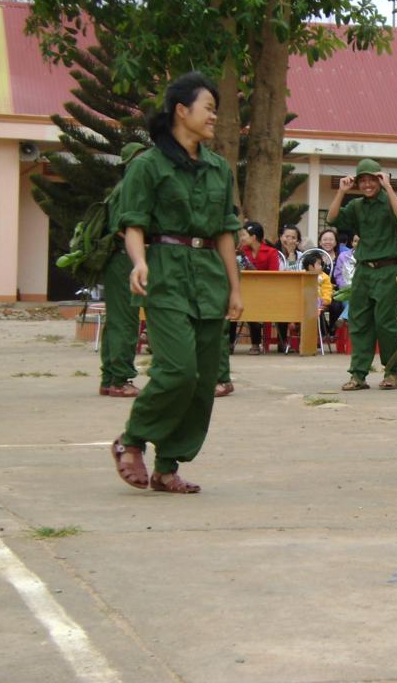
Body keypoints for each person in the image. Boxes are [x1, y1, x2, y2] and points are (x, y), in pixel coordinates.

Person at [111, 71, 242, 493]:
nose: (214, 117)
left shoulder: (219, 169)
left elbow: (226, 232)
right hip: (165, 274)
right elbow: (133, 223)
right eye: (209, 109)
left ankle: (167, 466)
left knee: (203, 383)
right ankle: (132, 439)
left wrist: (235, 288)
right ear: (181, 111)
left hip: (209, 278)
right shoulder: (148, 166)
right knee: (178, 371)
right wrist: (138, 262)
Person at [327, 159, 397, 390]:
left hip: (388, 269)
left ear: (380, 180)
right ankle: (358, 374)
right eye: (362, 180)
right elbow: (332, 219)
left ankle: (393, 372)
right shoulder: (356, 206)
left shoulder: (391, 199)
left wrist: (389, 187)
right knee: (359, 322)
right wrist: (342, 191)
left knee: (385, 323)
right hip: (363, 269)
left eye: (372, 179)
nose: (367, 185)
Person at [98, 142, 147, 398]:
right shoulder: (127, 189)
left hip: (119, 259)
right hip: (123, 260)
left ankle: (109, 378)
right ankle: (120, 379)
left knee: (116, 320)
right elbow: (121, 228)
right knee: (126, 322)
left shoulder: (121, 188)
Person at [228, 220, 278, 355]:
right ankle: (229, 343)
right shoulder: (241, 252)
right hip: (244, 291)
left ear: (254, 237)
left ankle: (256, 344)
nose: (241, 238)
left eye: (244, 235)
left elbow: (274, 276)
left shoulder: (271, 252)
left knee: (252, 304)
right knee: (233, 304)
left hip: (264, 292)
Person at [274, 224, 305, 353]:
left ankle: (302, 341)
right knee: (282, 303)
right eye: (287, 236)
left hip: (297, 291)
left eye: (293, 238)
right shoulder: (274, 254)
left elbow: (295, 275)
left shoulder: (302, 256)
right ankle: (282, 341)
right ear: (280, 237)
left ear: (298, 241)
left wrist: (292, 255)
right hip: (278, 292)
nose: (290, 240)